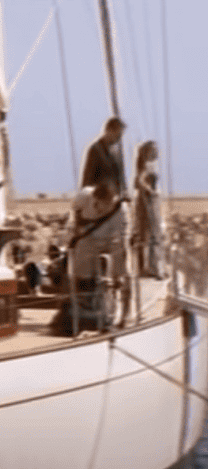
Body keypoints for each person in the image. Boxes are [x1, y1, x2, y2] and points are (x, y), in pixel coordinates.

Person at [68, 179, 130, 328]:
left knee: (123, 274)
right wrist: (77, 231)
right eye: (97, 204)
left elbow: (123, 237)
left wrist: (119, 270)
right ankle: (84, 305)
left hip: (112, 239)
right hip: (89, 237)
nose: (100, 209)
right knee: (79, 270)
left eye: (105, 206)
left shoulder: (121, 209)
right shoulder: (85, 195)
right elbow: (75, 211)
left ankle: (124, 315)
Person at [132, 140, 163, 278]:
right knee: (151, 235)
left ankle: (147, 267)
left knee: (146, 235)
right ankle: (152, 267)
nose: (157, 152)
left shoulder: (146, 165)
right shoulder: (146, 165)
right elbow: (139, 181)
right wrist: (150, 191)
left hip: (147, 201)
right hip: (147, 202)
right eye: (154, 149)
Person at [80, 117, 127, 198]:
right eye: (117, 135)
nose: (118, 139)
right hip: (98, 201)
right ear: (109, 130)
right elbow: (87, 180)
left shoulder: (114, 153)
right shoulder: (95, 150)